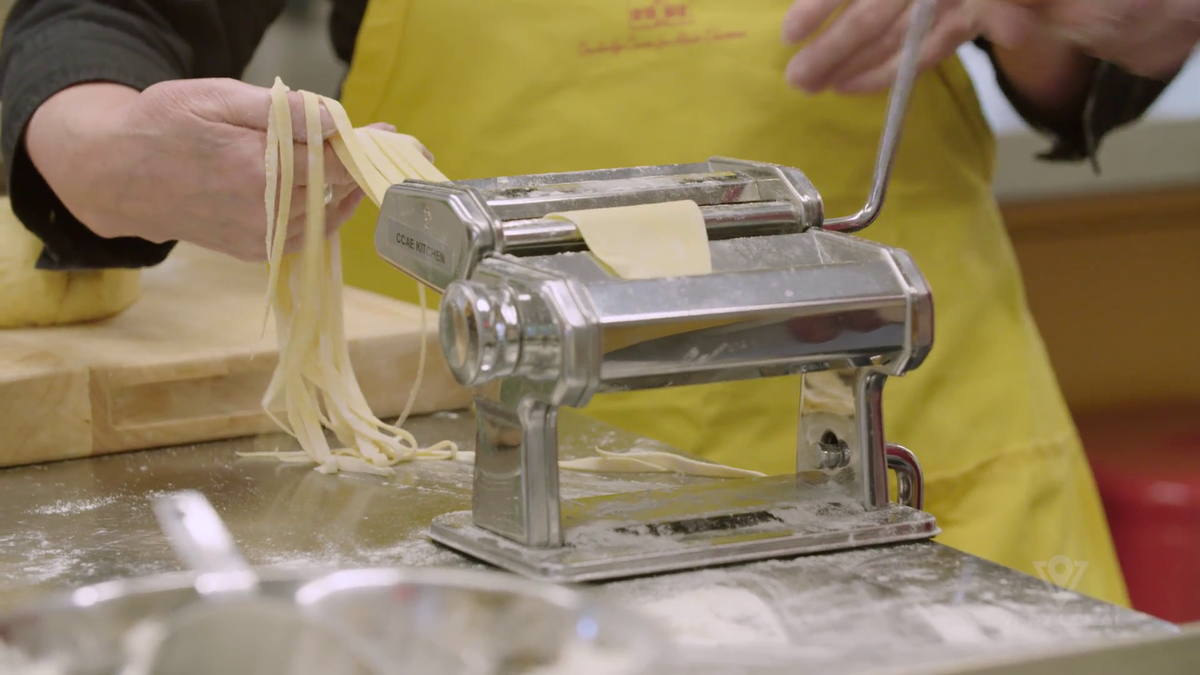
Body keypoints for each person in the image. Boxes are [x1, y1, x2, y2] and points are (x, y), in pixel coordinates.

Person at [0, 0, 1189, 606]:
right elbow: (96, 27)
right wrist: (97, 144)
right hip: (463, 475)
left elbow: (1095, 61)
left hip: (907, 459)